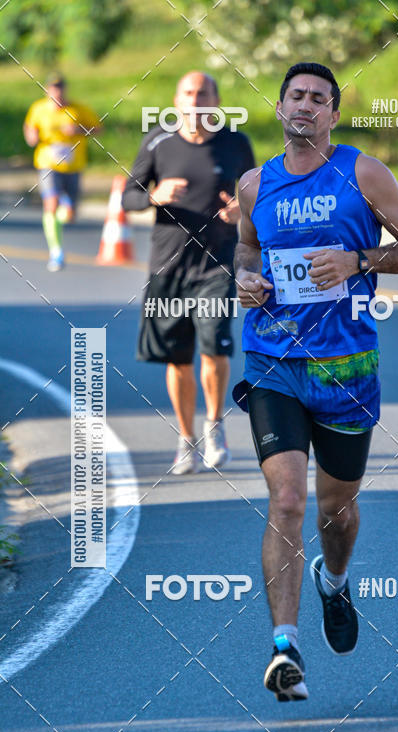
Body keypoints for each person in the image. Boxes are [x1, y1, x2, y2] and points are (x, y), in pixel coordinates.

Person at [233, 61, 398, 701]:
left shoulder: (362, 172)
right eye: (296, 95)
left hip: (346, 368)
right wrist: (246, 278)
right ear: (279, 106)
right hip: (273, 362)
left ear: (333, 115)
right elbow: (244, 247)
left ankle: (335, 580)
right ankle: (284, 646)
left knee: (335, 511)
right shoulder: (253, 184)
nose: (305, 106)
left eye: (319, 99)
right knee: (288, 500)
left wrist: (358, 259)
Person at [123, 71, 255, 472]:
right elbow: (129, 197)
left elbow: (252, 191)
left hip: (216, 263)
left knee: (214, 346)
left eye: (204, 93)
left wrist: (239, 209)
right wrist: (154, 195)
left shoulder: (235, 143)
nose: (196, 100)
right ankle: (186, 439)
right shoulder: (157, 141)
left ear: (216, 101)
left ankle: (214, 424)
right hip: (168, 267)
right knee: (177, 359)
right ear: (177, 99)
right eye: (189, 93)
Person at [23, 73, 102, 271]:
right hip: (48, 165)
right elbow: (29, 127)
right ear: (47, 90)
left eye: (60, 88)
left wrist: (78, 131)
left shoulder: (78, 109)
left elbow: (98, 129)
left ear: (65, 89)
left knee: (70, 214)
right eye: (53, 88)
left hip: (73, 167)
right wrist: (31, 136)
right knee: (50, 203)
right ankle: (56, 251)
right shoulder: (39, 109)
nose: (57, 92)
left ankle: (66, 207)